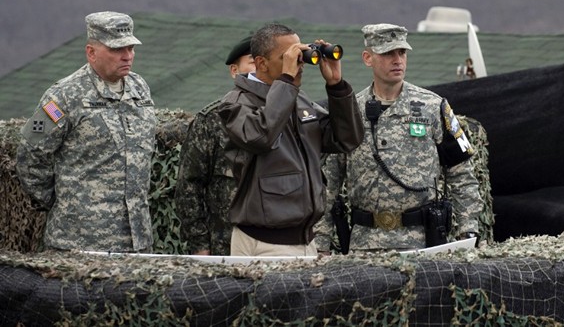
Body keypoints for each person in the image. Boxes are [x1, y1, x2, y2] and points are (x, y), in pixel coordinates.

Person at [317, 24, 482, 253]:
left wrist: (468, 232)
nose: (398, 60)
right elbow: (328, 183)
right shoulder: (349, 111)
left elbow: (462, 175)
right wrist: (321, 243)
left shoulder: (433, 106)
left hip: (423, 244)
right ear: (368, 58)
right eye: (387, 53)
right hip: (364, 245)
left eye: (402, 52)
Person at [217, 23, 364, 257]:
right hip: (264, 243)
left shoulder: (298, 100)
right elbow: (260, 136)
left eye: (299, 54)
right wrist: (286, 80)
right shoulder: (236, 103)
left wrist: (336, 86)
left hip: (305, 240)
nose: (298, 63)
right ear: (261, 63)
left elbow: (347, 139)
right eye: (289, 57)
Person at [16, 11, 157, 252]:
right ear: (91, 52)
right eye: (117, 49)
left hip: (137, 240)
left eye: (131, 48)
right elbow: (30, 155)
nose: (127, 56)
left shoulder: (139, 88)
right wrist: (65, 202)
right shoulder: (63, 96)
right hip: (78, 242)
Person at [174, 35, 256, 256]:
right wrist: (199, 243)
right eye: (252, 62)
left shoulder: (283, 114)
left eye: (265, 61)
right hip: (223, 247)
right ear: (234, 71)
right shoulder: (212, 120)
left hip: (273, 244)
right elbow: (189, 185)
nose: (260, 68)